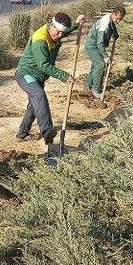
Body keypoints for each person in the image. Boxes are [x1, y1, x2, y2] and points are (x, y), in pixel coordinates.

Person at [16, 12, 85, 161]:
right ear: (51, 25)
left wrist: (76, 24)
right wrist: (64, 76)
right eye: (58, 31)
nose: (60, 35)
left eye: (63, 32)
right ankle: (48, 135)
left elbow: (63, 32)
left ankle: (22, 134)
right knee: (39, 96)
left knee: (34, 106)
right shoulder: (40, 39)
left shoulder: (55, 33)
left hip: (38, 76)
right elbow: (44, 65)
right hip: (26, 74)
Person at [85, 6, 126, 98]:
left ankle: (88, 84)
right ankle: (96, 89)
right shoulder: (104, 25)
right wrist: (106, 57)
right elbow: (100, 43)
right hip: (93, 45)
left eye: (120, 20)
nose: (118, 21)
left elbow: (113, 26)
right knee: (100, 65)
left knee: (95, 65)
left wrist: (115, 34)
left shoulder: (110, 17)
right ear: (114, 14)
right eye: (118, 19)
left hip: (98, 45)